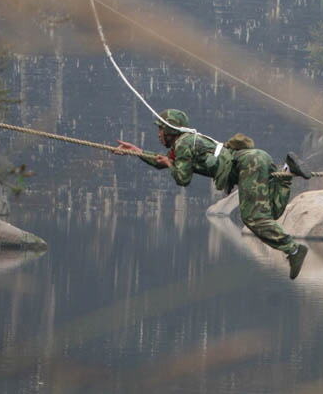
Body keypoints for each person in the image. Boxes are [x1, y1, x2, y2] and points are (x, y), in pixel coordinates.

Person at [116, 109, 311, 280]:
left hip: (248, 164)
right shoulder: (185, 144)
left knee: (252, 218)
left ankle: (293, 250)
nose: (158, 134)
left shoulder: (184, 144)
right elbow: (164, 161)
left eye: (160, 129)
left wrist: (169, 165)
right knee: (270, 215)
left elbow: (182, 179)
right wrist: (138, 151)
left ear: (170, 130)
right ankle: (286, 171)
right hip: (257, 158)